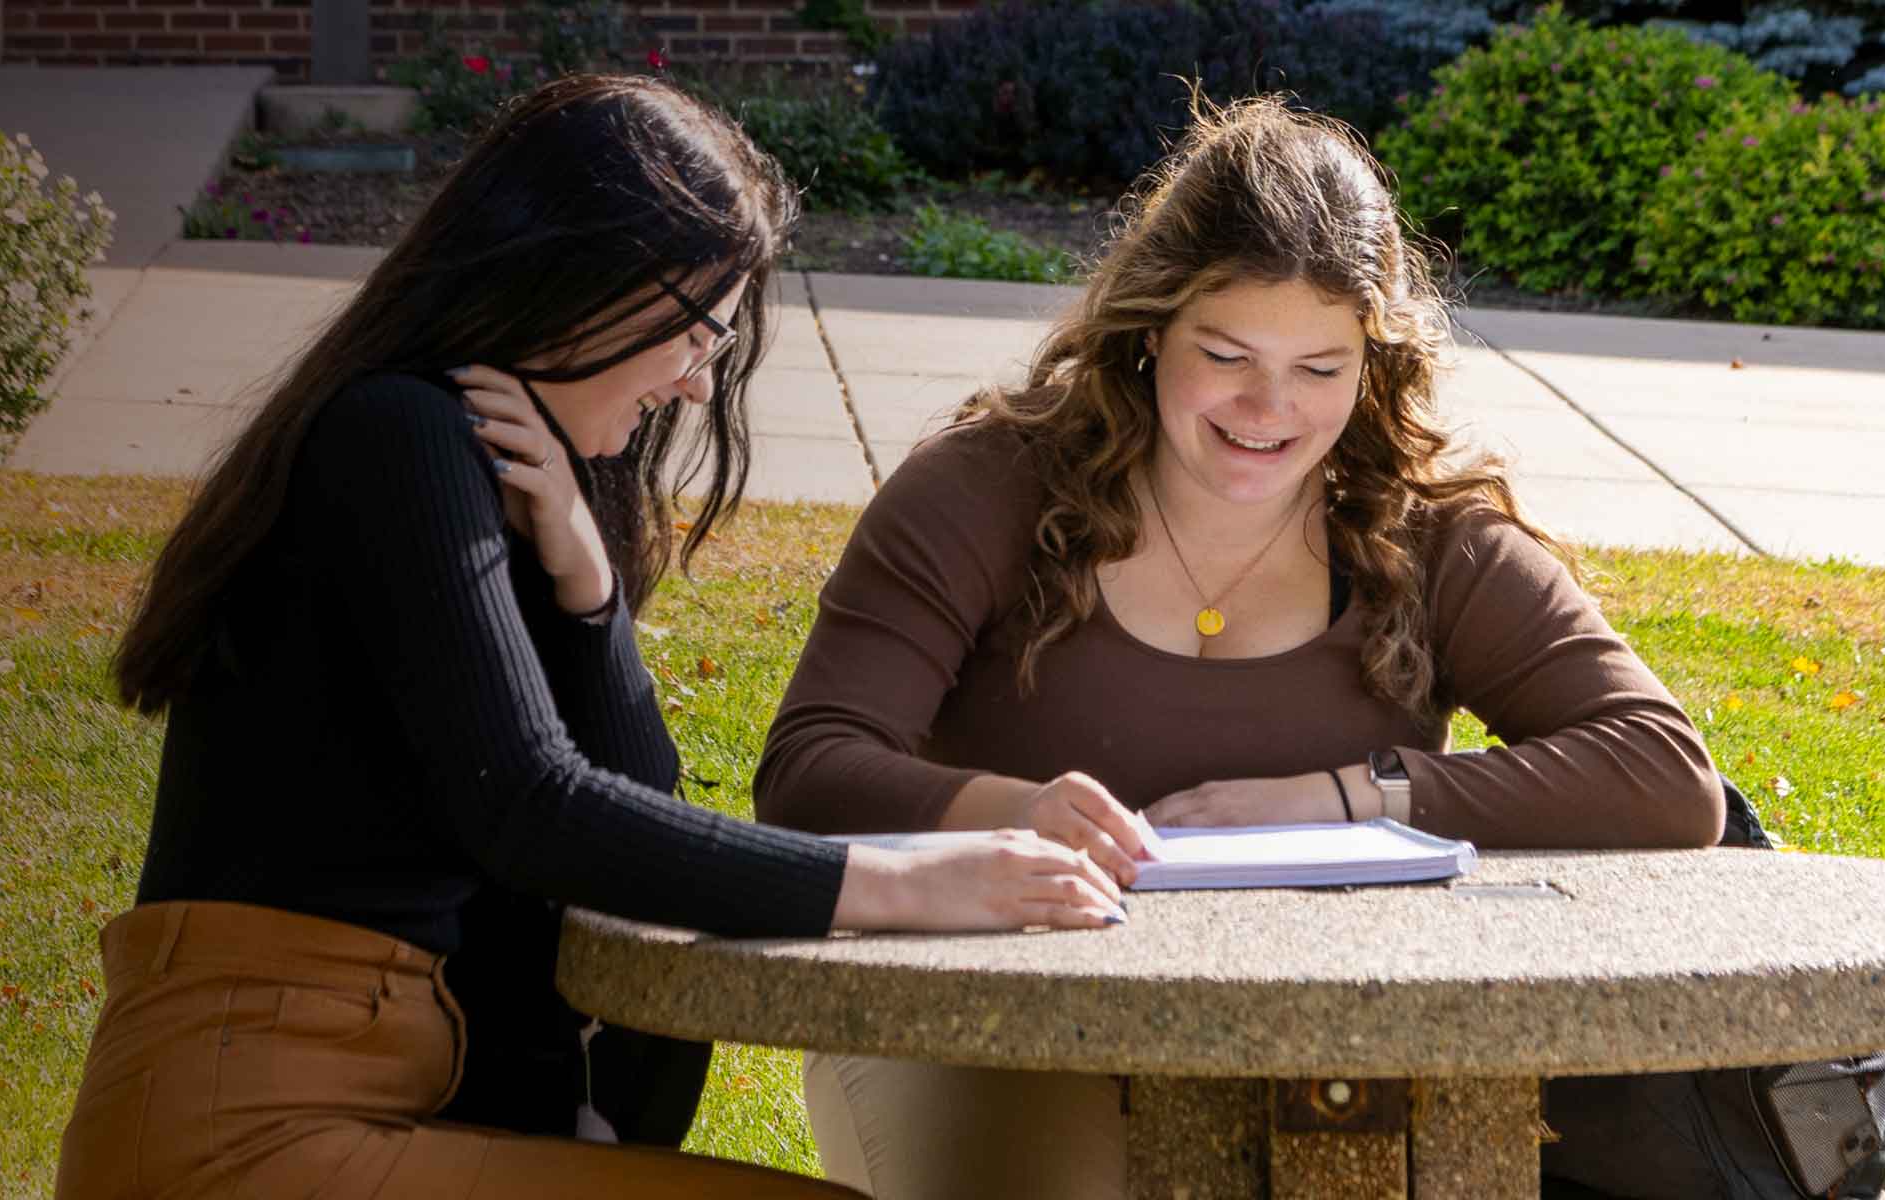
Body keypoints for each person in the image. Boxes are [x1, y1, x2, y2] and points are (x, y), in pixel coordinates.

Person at [64, 75, 1130, 1200]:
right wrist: (911, 882)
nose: (692, 380)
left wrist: (586, 596)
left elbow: (623, 826)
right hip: (244, 1132)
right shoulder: (392, 433)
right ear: (574, 273)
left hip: (372, 1110)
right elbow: (534, 807)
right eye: (691, 330)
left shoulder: (476, 467)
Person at [750, 97, 1727, 1199]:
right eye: (1226, 355)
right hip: (983, 1008)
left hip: (1319, 1037)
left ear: (1373, 361)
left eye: (1320, 367)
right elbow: (806, 772)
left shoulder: (1421, 526)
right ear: (1148, 328)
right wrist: (1016, 812)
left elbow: (1660, 770)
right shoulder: (985, 487)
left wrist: (1348, 796)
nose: (1269, 408)